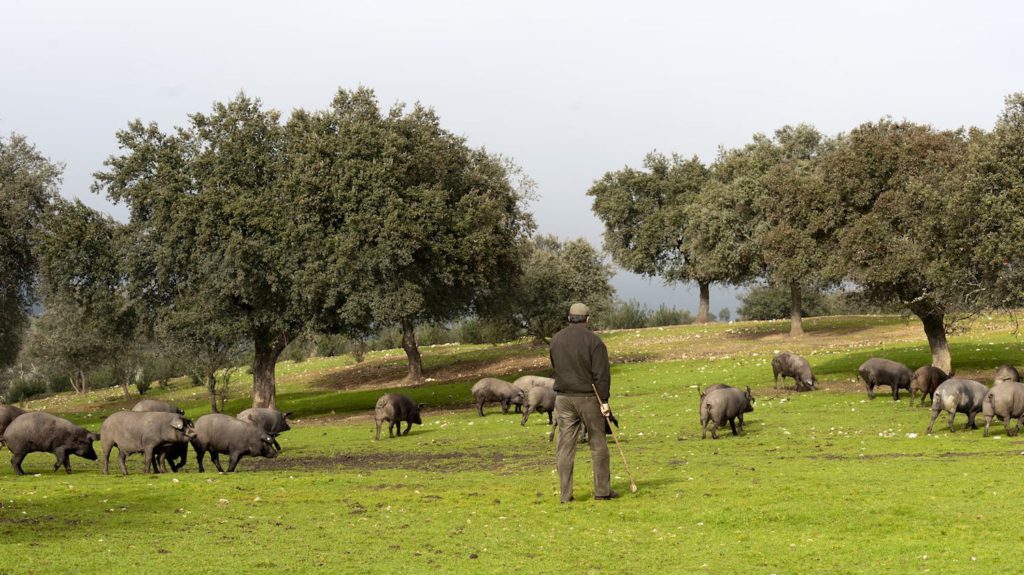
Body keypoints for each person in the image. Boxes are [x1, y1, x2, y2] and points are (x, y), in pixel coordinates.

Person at [549, 302, 618, 502]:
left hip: (562, 398)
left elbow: (555, 366)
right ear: (587, 319)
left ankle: (565, 495)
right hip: (588, 398)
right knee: (598, 443)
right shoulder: (594, 341)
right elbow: (602, 375)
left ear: (569, 317)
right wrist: (604, 401)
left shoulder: (556, 340)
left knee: (565, 447)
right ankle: (602, 492)